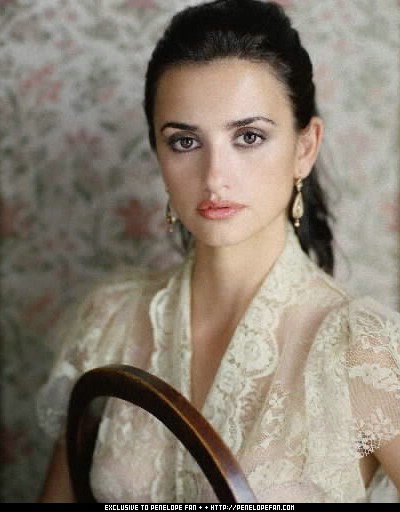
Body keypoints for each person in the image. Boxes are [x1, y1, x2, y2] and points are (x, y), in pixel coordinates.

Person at [37, 0, 400, 503]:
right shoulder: (111, 320)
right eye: (185, 142)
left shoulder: (361, 350)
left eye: (248, 136)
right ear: (158, 152)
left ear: (305, 147)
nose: (214, 178)